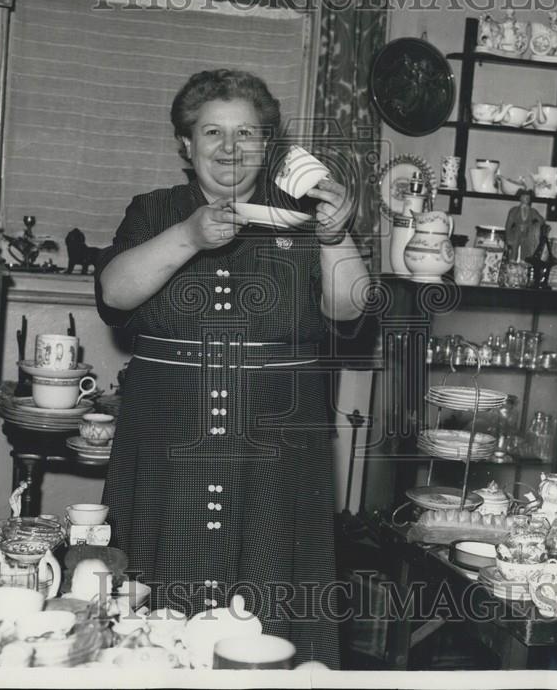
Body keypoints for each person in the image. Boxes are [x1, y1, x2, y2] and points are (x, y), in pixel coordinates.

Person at [94, 69, 369, 669]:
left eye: (247, 133)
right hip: (166, 443)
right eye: (211, 131)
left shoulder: (300, 218)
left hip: (280, 452)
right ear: (185, 145)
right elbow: (114, 294)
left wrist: (336, 234)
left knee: (277, 614)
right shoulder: (154, 210)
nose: (229, 147)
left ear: (268, 147)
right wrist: (189, 236)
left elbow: (350, 309)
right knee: (153, 610)